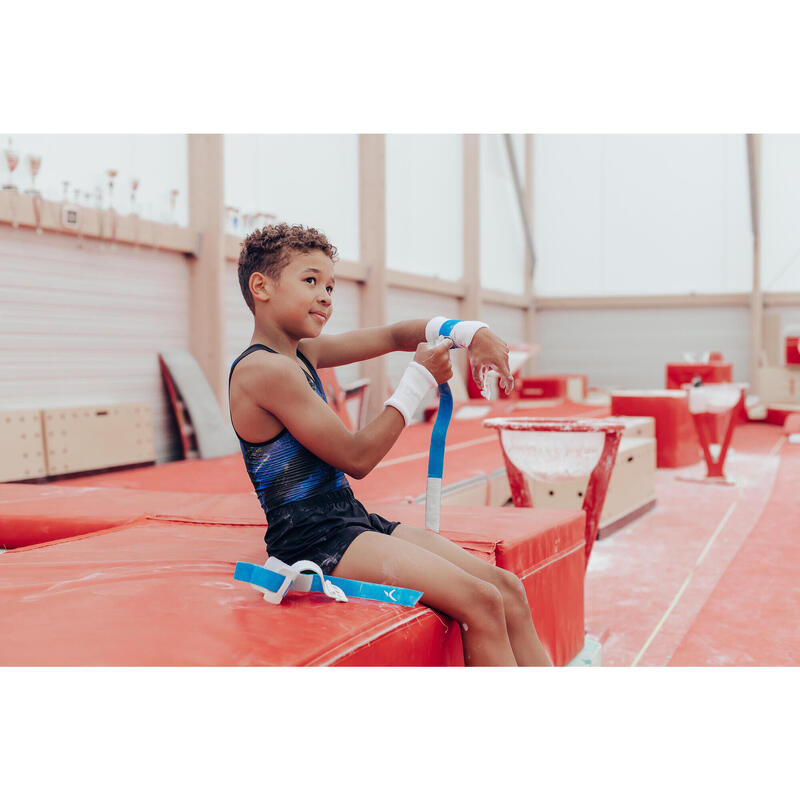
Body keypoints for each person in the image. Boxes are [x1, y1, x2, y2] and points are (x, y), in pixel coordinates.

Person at [229, 222, 551, 666]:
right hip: (312, 539)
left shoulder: (303, 355)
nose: (326, 296)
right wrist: (417, 380)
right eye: (310, 281)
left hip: (348, 520)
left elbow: (395, 335)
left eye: (330, 286)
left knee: (507, 588)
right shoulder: (263, 371)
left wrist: (469, 332)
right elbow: (356, 457)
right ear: (261, 287)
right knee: (481, 601)